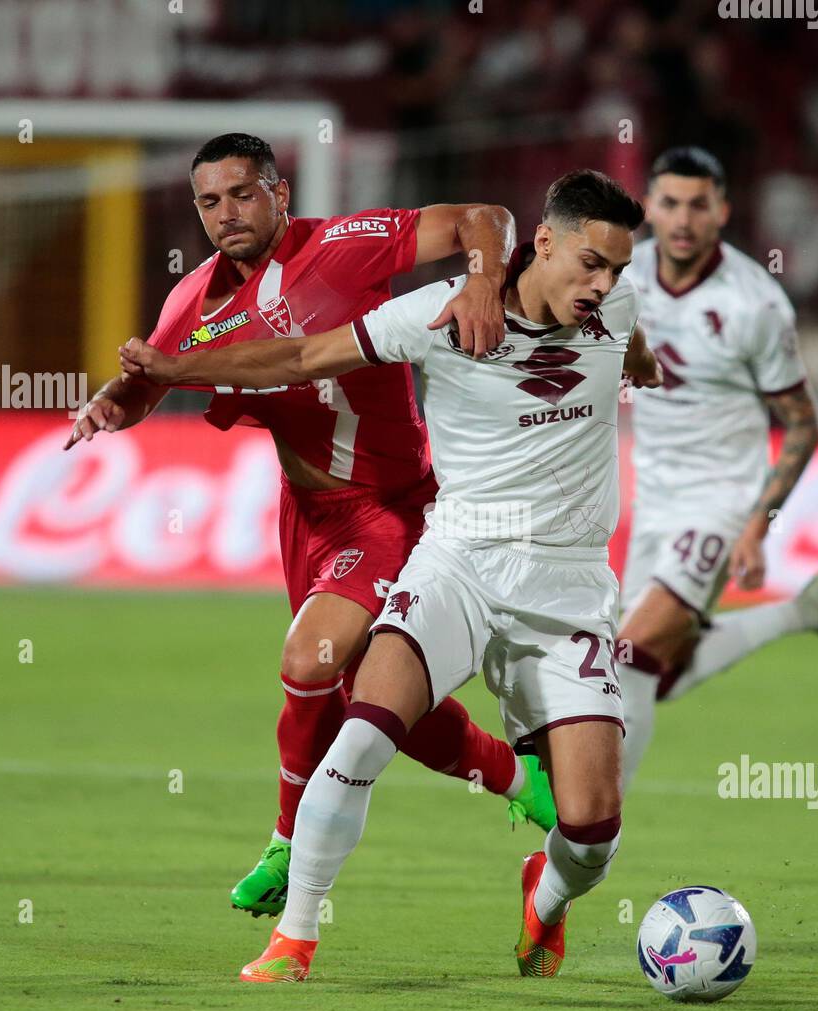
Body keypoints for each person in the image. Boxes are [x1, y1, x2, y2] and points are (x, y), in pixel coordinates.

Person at [120, 169, 662, 983]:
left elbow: (632, 342)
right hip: (458, 564)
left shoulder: (615, 309)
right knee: (365, 728)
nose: (604, 283)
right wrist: (176, 370)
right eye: (590, 263)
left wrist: (642, 365)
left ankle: (542, 899)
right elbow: (302, 355)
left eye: (617, 270)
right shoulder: (437, 316)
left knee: (592, 836)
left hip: (571, 590)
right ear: (542, 242)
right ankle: (294, 939)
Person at [66, 133, 557, 924]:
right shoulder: (193, 301)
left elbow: (483, 215)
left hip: (393, 508)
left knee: (308, 658)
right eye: (209, 201)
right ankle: (514, 777)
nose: (227, 213)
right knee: (374, 690)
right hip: (307, 518)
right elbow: (148, 382)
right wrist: (108, 408)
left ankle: (288, 846)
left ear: (280, 193)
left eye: (242, 194)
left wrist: (480, 281)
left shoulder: (344, 247)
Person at [616, 146, 818, 791]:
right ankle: (804, 612)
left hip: (721, 503)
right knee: (659, 676)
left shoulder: (754, 305)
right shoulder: (622, 278)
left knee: (632, 659)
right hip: (653, 501)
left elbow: (804, 424)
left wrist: (755, 526)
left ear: (722, 212)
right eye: (669, 203)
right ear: (648, 207)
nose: (682, 219)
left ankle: (587, 834)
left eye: (698, 205)